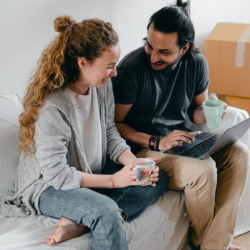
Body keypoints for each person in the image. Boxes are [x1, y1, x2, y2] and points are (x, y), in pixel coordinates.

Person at [0, 16, 167, 250]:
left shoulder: (101, 85)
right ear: (83, 62)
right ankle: (89, 215)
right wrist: (113, 180)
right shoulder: (53, 106)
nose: (115, 73)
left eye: (115, 65)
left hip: (90, 173)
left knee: (154, 179)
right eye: (109, 66)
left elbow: (110, 132)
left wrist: (135, 163)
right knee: (107, 213)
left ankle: (79, 222)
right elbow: (56, 176)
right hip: (49, 187)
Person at [112, 1, 249, 250]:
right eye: (149, 45)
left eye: (164, 52)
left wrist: (211, 108)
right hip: (144, 149)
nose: (153, 56)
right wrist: (157, 141)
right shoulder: (132, 69)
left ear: (184, 48)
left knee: (240, 154)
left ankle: (214, 244)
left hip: (183, 142)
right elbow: (116, 124)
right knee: (204, 170)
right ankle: (208, 246)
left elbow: (196, 113)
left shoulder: (196, 63)